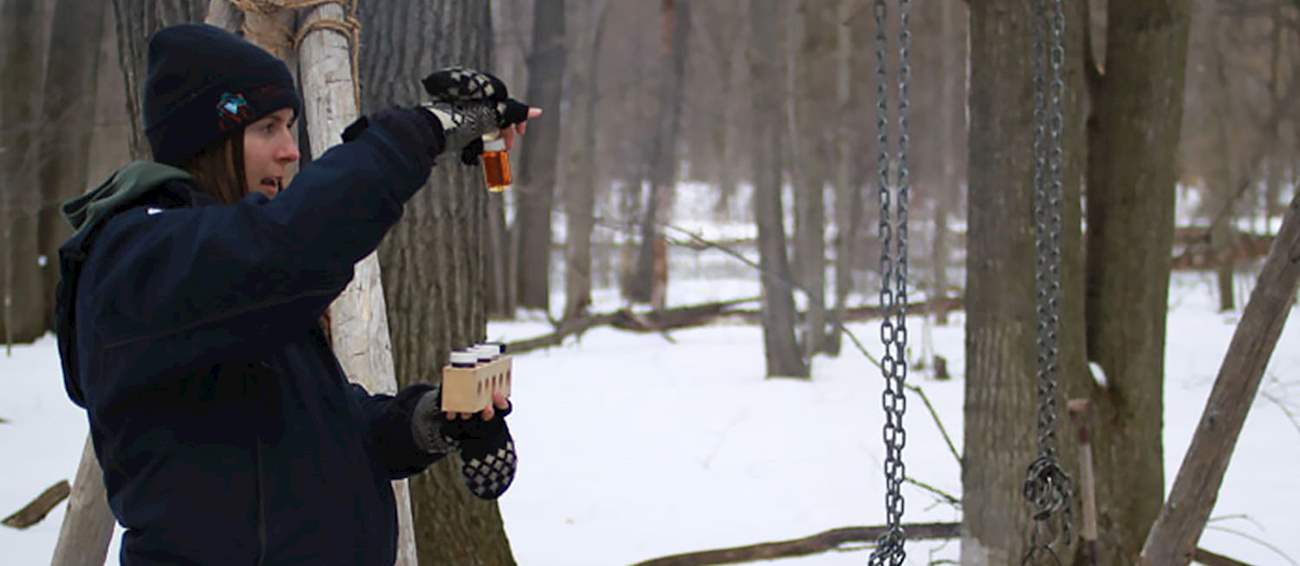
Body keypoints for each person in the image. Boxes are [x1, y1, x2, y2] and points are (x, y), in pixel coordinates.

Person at [53, 23, 537, 565]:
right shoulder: (142, 255)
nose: (289, 151)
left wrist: (425, 423)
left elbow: (308, 430)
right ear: (207, 140)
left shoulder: (223, 274)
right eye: (267, 128)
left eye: (290, 127)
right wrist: (425, 129)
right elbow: (295, 242)